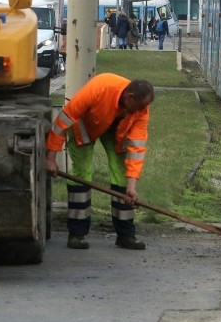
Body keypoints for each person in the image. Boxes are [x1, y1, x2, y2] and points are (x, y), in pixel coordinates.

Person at [44, 74, 155, 250]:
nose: (141, 111)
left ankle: (125, 235)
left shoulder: (141, 109)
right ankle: (77, 234)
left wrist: (132, 185)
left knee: (122, 178)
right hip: (84, 125)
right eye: (139, 107)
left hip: (115, 131)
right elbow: (63, 121)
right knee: (82, 173)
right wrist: (50, 158)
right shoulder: (99, 88)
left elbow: (137, 147)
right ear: (130, 96)